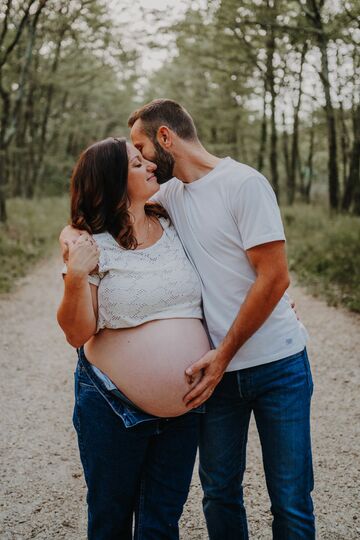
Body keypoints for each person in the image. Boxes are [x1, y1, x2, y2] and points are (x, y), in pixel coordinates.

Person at [61, 99, 315, 539]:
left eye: (142, 150)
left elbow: (271, 275)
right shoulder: (159, 203)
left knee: (288, 500)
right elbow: (104, 202)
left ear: (165, 139)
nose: (144, 163)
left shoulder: (223, 192)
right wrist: (73, 242)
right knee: (211, 494)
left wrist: (265, 312)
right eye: (134, 158)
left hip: (258, 369)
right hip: (177, 386)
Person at [57, 136, 211, 539]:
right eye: (136, 163)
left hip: (184, 411)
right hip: (111, 403)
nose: (150, 166)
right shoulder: (90, 244)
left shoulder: (176, 223)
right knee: (110, 519)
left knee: (162, 522)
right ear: (112, 179)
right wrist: (75, 276)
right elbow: (77, 331)